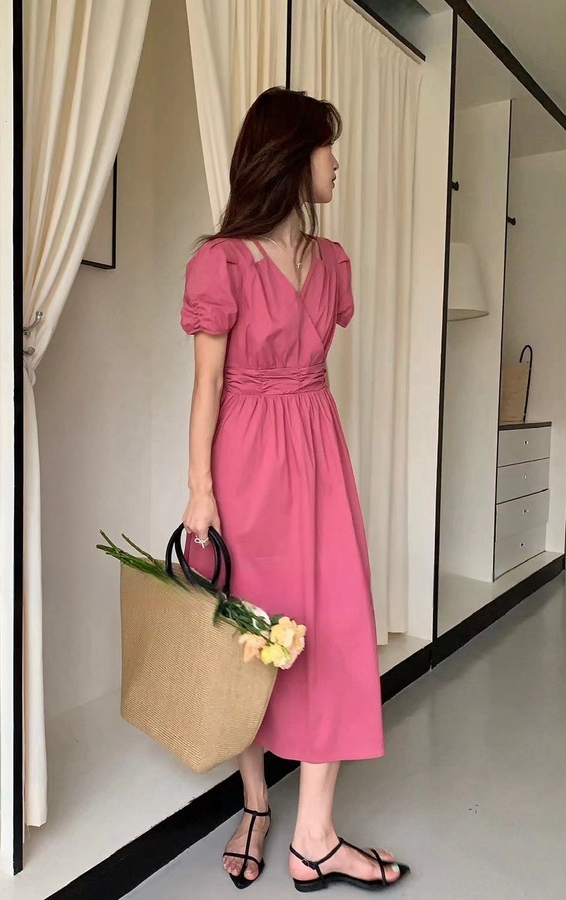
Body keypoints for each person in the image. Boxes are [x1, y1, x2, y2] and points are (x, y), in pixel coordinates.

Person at [180, 87, 410, 893]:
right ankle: (255, 802)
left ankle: (315, 835)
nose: (336, 163)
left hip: (317, 453)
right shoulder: (220, 261)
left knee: (334, 630)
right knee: (248, 631)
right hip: (246, 461)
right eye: (326, 148)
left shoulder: (332, 262)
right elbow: (208, 385)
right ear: (289, 156)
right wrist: (199, 491)